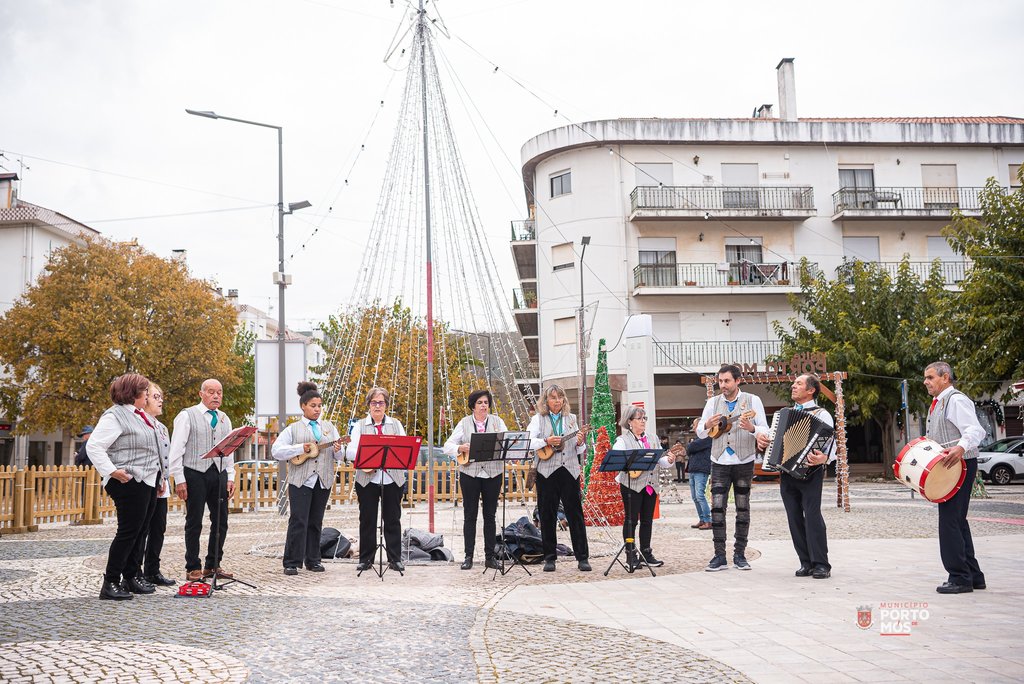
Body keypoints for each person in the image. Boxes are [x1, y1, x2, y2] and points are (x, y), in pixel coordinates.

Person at [86, 373, 165, 600]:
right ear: (134, 393)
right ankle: (110, 582)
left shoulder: (139, 415)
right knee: (128, 532)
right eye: (145, 391)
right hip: (128, 481)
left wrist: (159, 479)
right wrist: (112, 471)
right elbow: (95, 446)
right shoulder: (115, 416)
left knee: (140, 531)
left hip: (147, 481)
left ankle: (130, 577)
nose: (148, 395)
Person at [758, 374, 834, 579]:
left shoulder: (822, 414)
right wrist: (764, 442)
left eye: (798, 384)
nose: (793, 386)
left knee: (812, 516)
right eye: (794, 383)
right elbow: (774, 443)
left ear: (811, 390)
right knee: (793, 517)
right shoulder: (784, 415)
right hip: (787, 472)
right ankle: (805, 561)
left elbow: (831, 444)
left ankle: (821, 563)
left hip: (811, 472)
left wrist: (824, 458)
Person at [697, 364, 769, 572]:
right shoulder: (712, 402)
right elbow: (701, 433)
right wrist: (706, 425)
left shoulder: (753, 401)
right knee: (717, 509)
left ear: (738, 381)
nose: (723, 385)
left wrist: (753, 428)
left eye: (727, 381)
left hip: (744, 460)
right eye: (720, 381)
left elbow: (765, 429)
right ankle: (719, 555)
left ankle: (740, 554)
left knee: (743, 508)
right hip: (718, 461)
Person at [272, 381, 348, 576]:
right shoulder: (293, 429)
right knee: (298, 520)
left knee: (316, 521)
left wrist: (339, 450)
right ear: (303, 406)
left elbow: (339, 456)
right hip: (301, 480)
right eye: (313, 406)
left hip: (322, 479)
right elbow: (277, 451)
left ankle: (313, 559)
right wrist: (300, 448)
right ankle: (291, 561)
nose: (317, 409)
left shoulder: (329, 428)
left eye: (319, 406)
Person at [923, 361, 986, 594]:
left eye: (930, 377)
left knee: (949, 520)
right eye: (925, 378)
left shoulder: (956, 400)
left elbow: (975, 430)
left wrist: (960, 448)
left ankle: (959, 578)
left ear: (945, 377)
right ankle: (974, 575)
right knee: (957, 520)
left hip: (960, 464)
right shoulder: (939, 402)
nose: (925, 382)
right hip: (951, 465)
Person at [169, 378, 235, 582]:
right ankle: (193, 566)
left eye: (220, 392)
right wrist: (179, 478)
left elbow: (230, 450)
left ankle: (213, 564)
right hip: (194, 472)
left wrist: (230, 476)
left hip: (219, 472)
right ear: (201, 394)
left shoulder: (224, 418)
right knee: (194, 520)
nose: (216, 396)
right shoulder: (187, 416)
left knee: (221, 520)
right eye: (211, 392)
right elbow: (176, 450)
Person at [527, 384, 591, 572]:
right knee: (547, 514)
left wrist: (580, 442)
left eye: (560, 397)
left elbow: (580, 449)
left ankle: (582, 557)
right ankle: (549, 557)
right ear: (546, 401)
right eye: (553, 397)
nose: (557, 400)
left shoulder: (571, 419)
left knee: (575, 514)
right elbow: (529, 441)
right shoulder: (538, 419)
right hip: (546, 471)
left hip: (570, 470)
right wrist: (546, 441)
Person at [444, 389, 508, 570]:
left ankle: (490, 556)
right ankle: (468, 556)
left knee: (490, 515)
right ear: (473, 406)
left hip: (493, 473)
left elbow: (506, 440)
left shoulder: (497, 422)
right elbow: (447, 445)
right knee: (470, 515)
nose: (483, 406)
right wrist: (460, 447)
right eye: (480, 403)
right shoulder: (464, 423)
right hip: (470, 473)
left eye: (486, 402)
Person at [346, 387, 407, 573]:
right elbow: (350, 451)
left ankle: (395, 559)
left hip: (391, 478)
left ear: (386, 405)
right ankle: (366, 559)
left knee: (392, 519)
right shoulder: (359, 426)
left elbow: (404, 448)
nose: (377, 406)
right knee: (367, 520)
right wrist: (367, 456)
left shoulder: (396, 424)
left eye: (381, 402)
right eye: (374, 403)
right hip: (367, 479)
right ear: (369, 405)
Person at [611, 406, 680, 569]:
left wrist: (669, 460)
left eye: (644, 418)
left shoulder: (652, 438)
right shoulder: (622, 440)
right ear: (630, 422)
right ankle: (630, 554)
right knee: (631, 520)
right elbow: (619, 459)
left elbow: (660, 461)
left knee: (647, 520)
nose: (643, 421)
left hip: (650, 485)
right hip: (631, 485)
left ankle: (646, 553)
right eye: (639, 418)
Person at [136, 382, 176, 587]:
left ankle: (153, 570)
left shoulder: (162, 428)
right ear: (144, 399)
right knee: (141, 528)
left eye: (161, 397)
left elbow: (165, 458)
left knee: (158, 527)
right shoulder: (140, 424)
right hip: (146, 481)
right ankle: (136, 572)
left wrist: (165, 479)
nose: (160, 401)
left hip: (161, 484)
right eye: (155, 397)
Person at [686, 418, 712, 530]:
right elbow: (690, 448)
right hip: (693, 469)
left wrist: (691, 444)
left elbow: (691, 447)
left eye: (695, 425)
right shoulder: (698, 438)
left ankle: (708, 521)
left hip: (701, 470)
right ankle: (702, 519)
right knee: (695, 497)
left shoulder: (707, 437)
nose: (694, 427)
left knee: (700, 495)